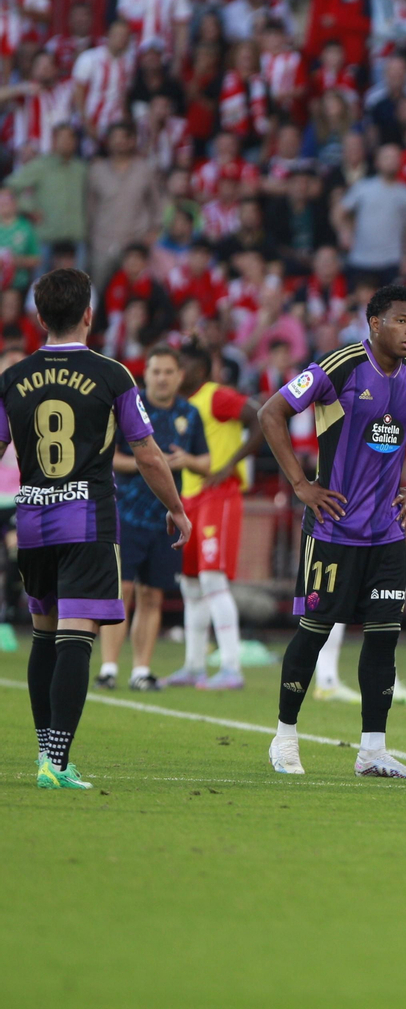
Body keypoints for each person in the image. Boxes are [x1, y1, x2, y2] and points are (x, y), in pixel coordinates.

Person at [0, 269, 191, 789]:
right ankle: (57, 764)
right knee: (76, 637)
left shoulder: (11, 379)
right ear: (89, 315)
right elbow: (147, 454)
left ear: (39, 318)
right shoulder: (113, 375)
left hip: (33, 521)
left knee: (44, 635)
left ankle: (47, 756)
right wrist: (175, 507)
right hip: (86, 520)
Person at [260, 284, 406, 779]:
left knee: (384, 640)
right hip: (333, 528)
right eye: (402, 321)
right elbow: (271, 413)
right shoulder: (337, 367)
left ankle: (373, 751)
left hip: (386, 532)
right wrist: (301, 484)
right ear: (375, 323)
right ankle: (285, 737)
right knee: (313, 634)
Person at [96, 346, 209, 692]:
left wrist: (184, 460)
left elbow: (206, 463)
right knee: (122, 591)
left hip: (165, 519)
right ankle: (109, 667)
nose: (162, 378)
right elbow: (110, 457)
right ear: (145, 375)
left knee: (153, 595)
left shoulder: (189, 414)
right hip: (125, 513)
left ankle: (141, 670)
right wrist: (151, 462)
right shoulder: (129, 406)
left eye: (168, 372)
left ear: (180, 376)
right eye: (156, 371)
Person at [163, 345, 257, 690]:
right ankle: (194, 665)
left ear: (201, 369)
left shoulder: (217, 397)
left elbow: (261, 416)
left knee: (213, 580)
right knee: (190, 584)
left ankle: (232, 668)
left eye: (182, 365)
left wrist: (231, 464)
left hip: (219, 495)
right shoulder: (181, 406)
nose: (177, 371)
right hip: (189, 498)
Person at [86, 122, 164, 287]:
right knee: (100, 294)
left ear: (132, 141)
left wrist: (152, 233)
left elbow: (156, 206)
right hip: (102, 244)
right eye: (115, 138)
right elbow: (90, 208)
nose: (119, 142)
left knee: (136, 295)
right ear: (108, 141)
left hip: (135, 244)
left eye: (124, 138)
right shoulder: (96, 171)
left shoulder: (144, 170)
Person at [334, 143, 406, 283]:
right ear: (377, 162)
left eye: (395, 157)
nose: (391, 161)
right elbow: (338, 212)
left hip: (392, 261)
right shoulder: (363, 187)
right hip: (360, 259)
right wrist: (343, 231)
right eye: (386, 157)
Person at [5, 124, 87, 254]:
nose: (67, 142)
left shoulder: (81, 169)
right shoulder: (41, 165)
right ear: (54, 140)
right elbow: (10, 186)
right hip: (47, 238)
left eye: (70, 138)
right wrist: (28, 209)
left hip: (75, 238)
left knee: (78, 275)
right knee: (43, 275)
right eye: (62, 138)